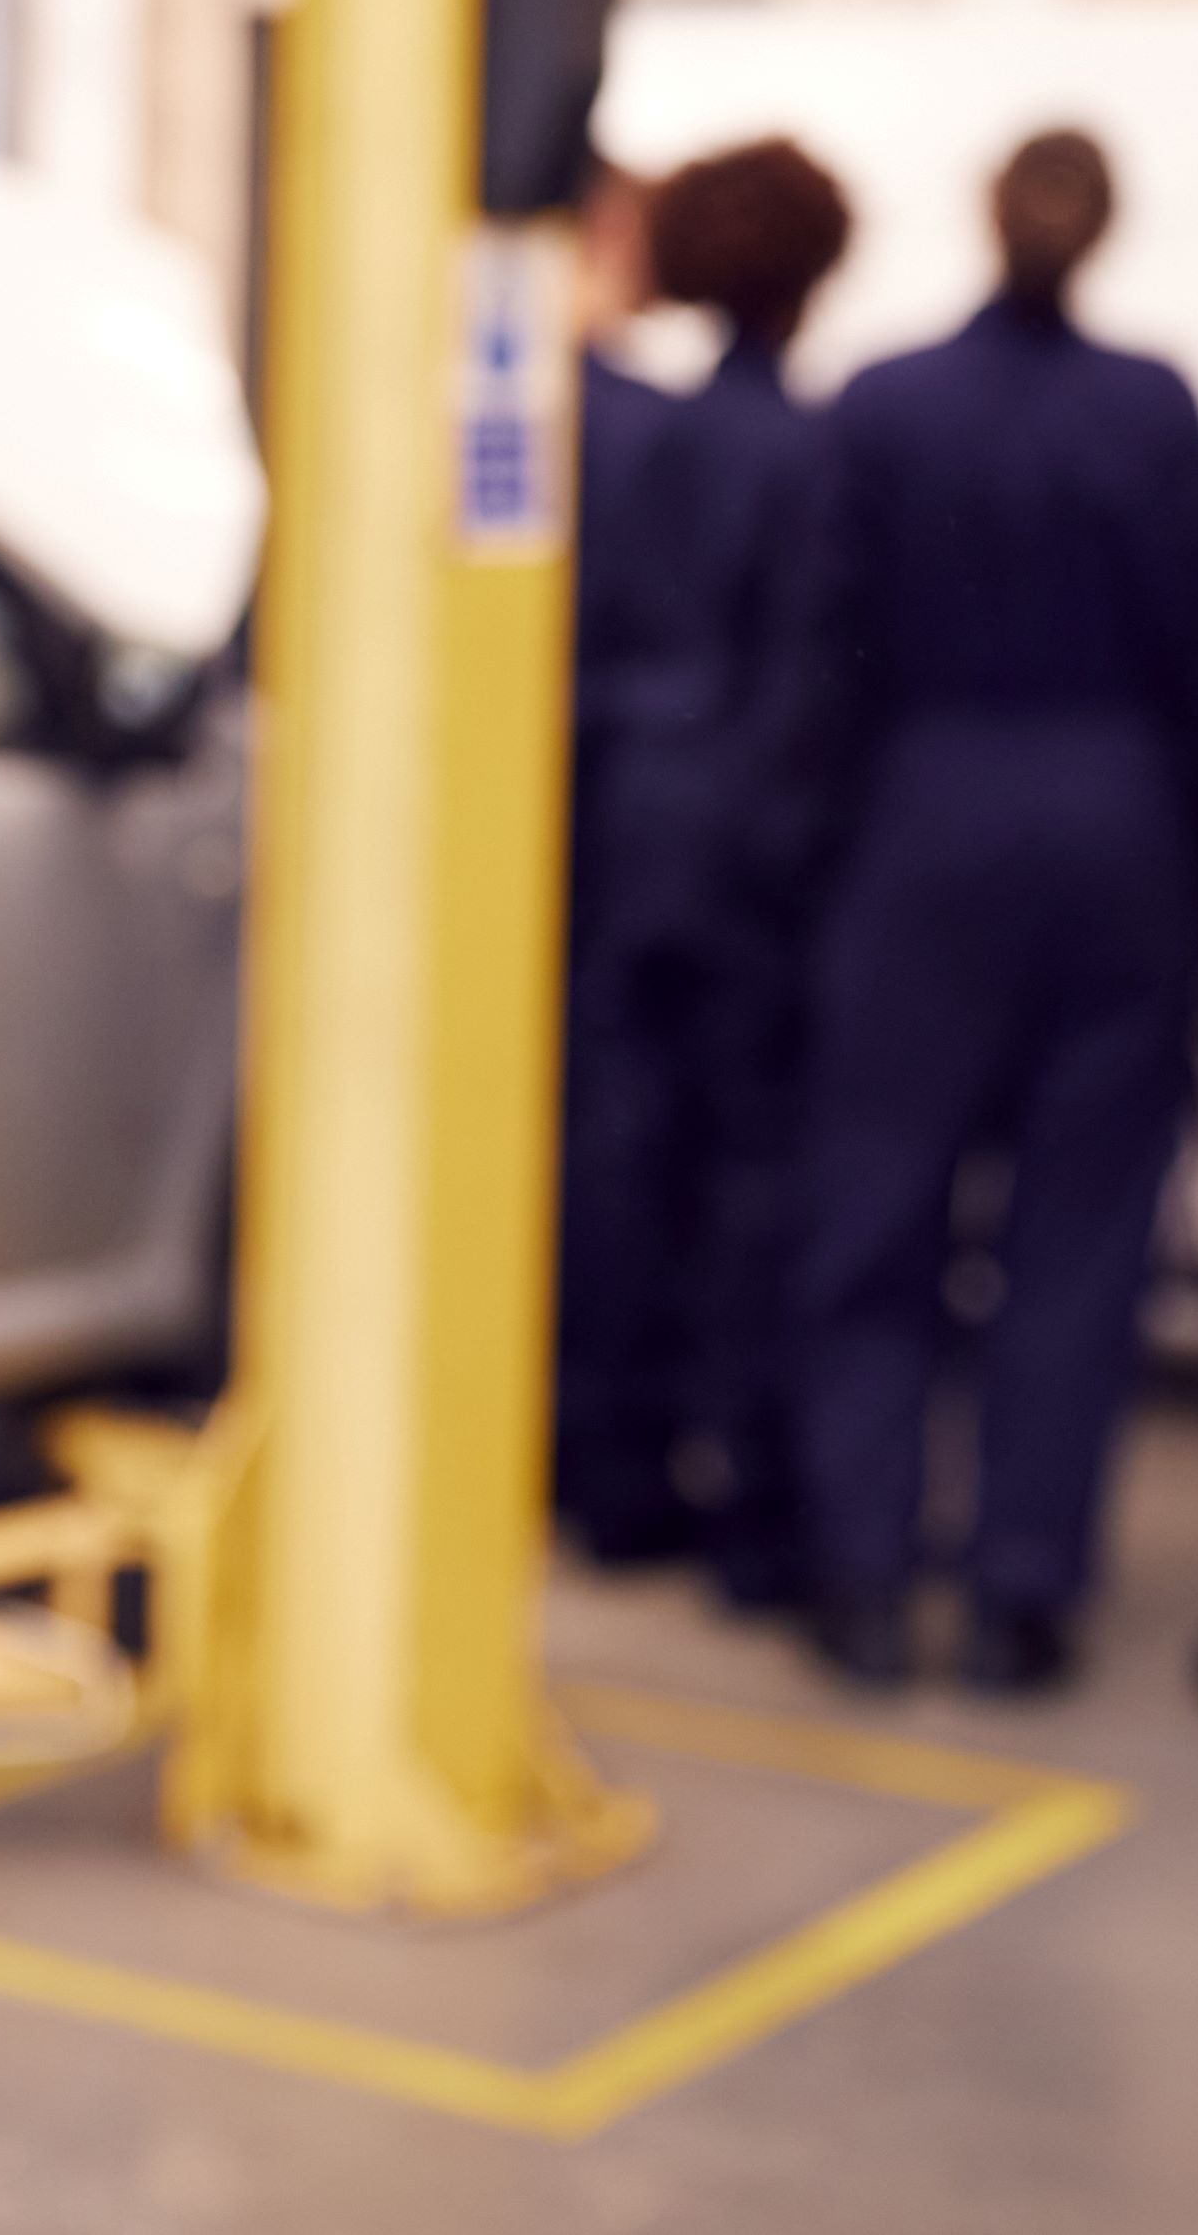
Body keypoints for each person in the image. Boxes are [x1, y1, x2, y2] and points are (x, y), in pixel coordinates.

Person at [785, 131, 1198, 1694]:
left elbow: (822, 649)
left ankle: (858, 1563)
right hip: (1115, 828)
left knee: (880, 1204)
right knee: (1080, 1227)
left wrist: (821, 847)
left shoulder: (888, 403)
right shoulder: (1152, 408)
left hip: (923, 825)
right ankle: (1021, 1583)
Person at [635, 135, 856, 1616]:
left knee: (631, 1151)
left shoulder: (644, 439)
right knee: (761, 1174)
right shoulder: (814, 452)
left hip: (635, 823)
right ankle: (753, 1502)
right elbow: (816, 665)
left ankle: (618, 1465)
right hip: (757, 840)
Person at [556, 157, 698, 1563]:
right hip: (633, 848)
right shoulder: (658, 428)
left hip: (504, 851)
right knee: (615, 1146)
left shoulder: (441, 418)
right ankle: (607, 1453)